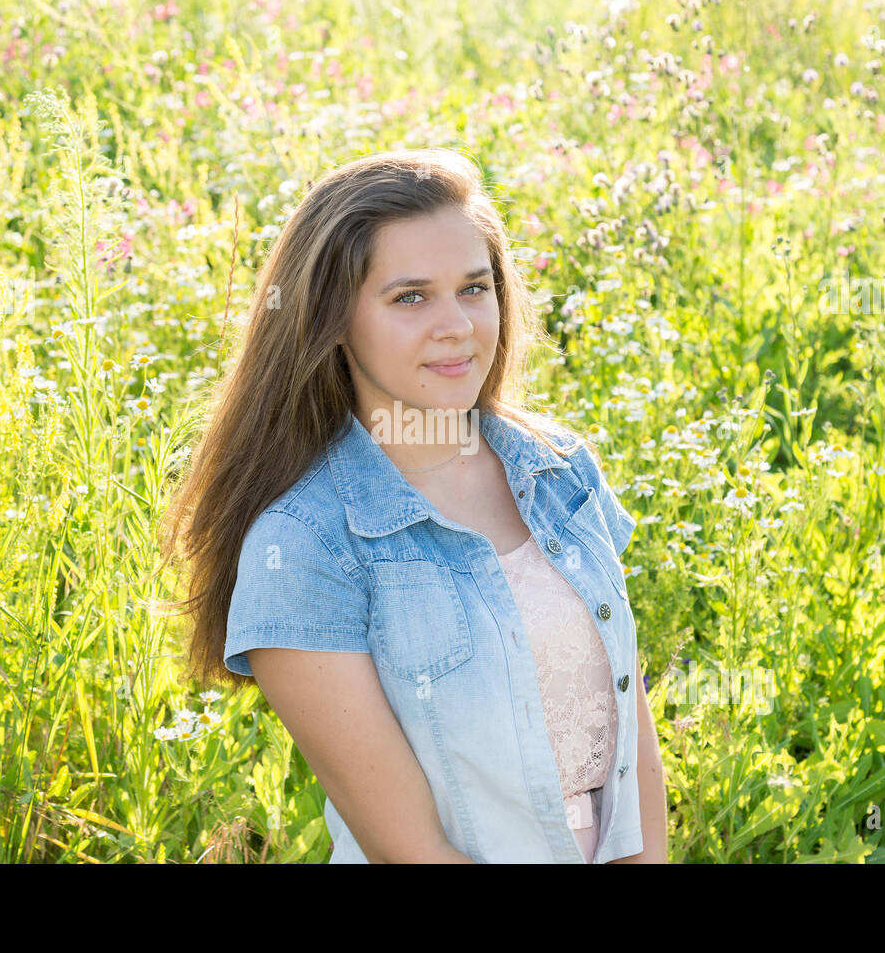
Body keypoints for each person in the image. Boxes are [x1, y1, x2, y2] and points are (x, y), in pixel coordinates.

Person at [157, 148, 666, 863]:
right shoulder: (304, 546)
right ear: (332, 320)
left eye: (475, 287)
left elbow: (633, 748)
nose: (457, 325)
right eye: (410, 297)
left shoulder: (559, 470)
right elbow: (413, 850)